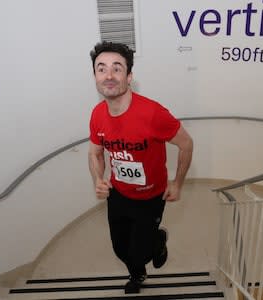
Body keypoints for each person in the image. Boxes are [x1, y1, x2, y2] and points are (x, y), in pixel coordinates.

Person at [87, 41, 193, 294]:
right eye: (101, 69)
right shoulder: (97, 114)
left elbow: (187, 144)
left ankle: (157, 242)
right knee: (120, 248)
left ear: (129, 76)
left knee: (140, 251)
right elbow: (95, 152)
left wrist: (177, 183)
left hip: (151, 196)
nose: (109, 75)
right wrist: (97, 179)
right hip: (119, 194)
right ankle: (138, 275)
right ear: (95, 76)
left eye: (117, 68)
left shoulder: (153, 113)